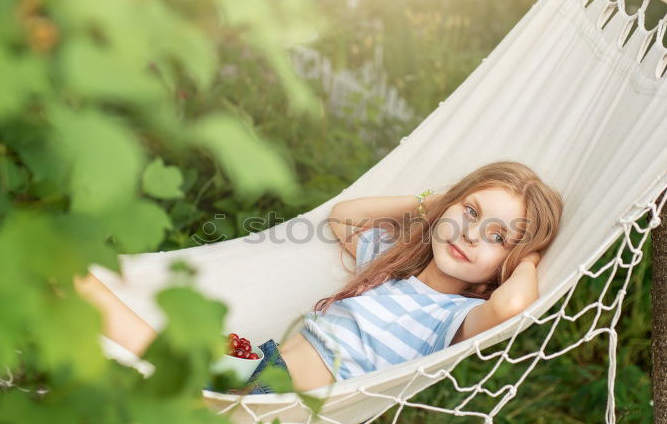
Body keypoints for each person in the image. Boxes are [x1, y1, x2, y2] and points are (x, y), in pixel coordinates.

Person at [73, 161, 563, 394]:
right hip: (260, 365)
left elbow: (511, 307)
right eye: (470, 211)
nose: (472, 235)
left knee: (134, 334)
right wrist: (429, 204)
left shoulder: (454, 315)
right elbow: (344, 217)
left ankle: (62, 285)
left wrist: (527, 258)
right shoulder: (390, 268)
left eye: (498, 237)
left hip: (271, 392)